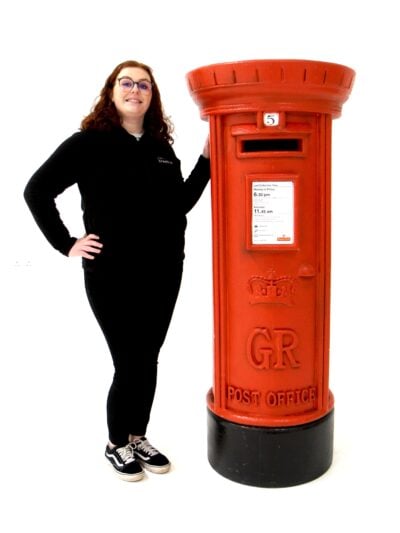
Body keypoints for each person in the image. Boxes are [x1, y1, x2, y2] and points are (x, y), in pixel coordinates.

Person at [23, 60, 210, 482]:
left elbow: (178, 204)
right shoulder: (87, 143)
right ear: (112, 91)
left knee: (149, 358)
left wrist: (205, 161)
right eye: (126, 83)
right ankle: (115, 443)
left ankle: (137, 435)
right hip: (112, 273)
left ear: (152, 96)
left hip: (164, 270)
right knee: (129, 360)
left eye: (144, 85)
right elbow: (36, 190)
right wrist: (66, 243)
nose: (135, 90)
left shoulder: (160, 148)